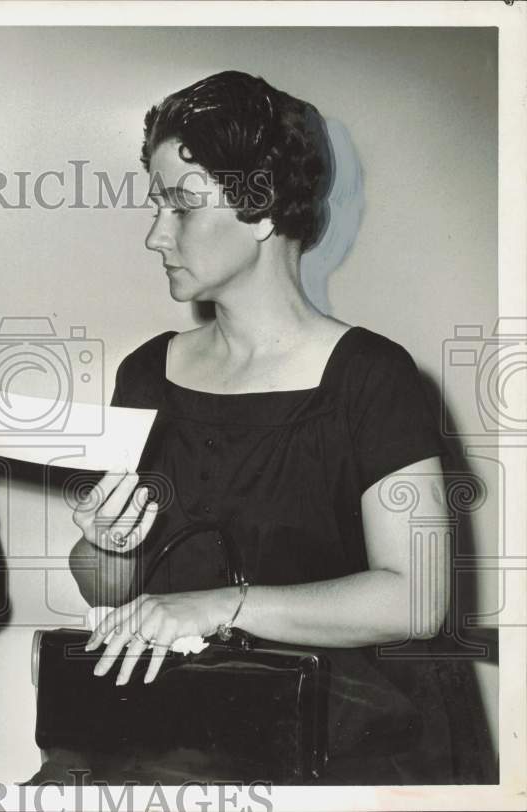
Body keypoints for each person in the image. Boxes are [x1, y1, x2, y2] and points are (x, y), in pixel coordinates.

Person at [59, 71, 476, 784]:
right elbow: (110, 592)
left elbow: (418, 598)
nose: (155, 234)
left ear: (260, 210)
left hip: (344, 734)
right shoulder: (145, 375)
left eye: (181, 207)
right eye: (157, 204)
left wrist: (221, 607)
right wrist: (105, 548)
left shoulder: (372, 378)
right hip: (178, 726)